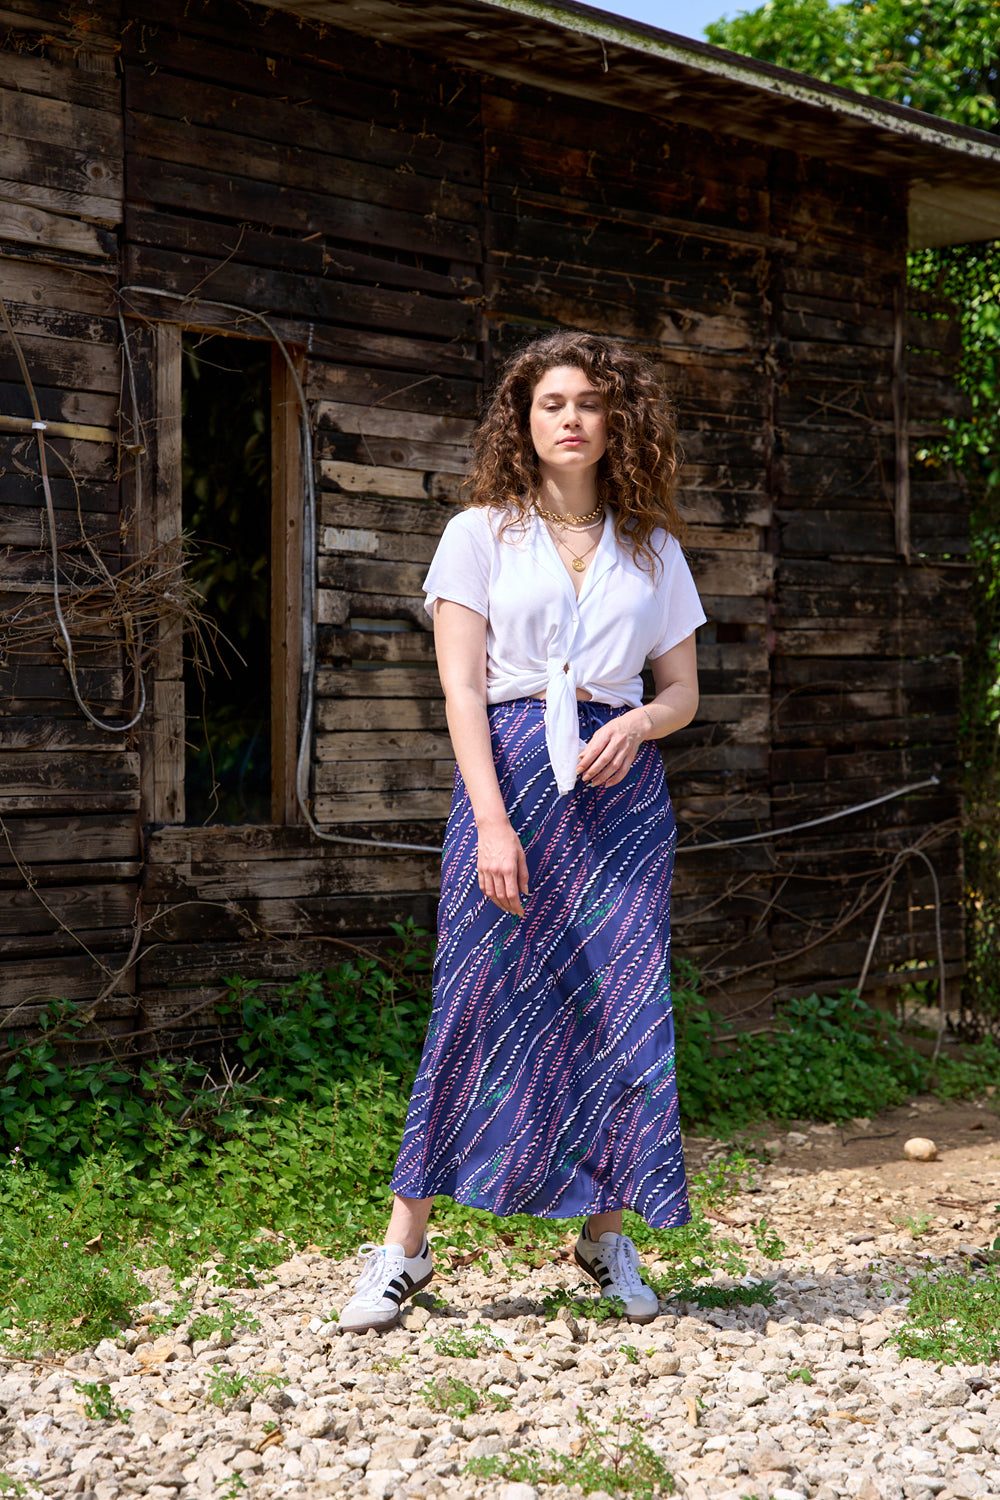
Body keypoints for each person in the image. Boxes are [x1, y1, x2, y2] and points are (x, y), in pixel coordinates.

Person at [339, 331, 706, 1333]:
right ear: (523, 420)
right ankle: (402, 1250)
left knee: (622, 1008)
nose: (572, 419)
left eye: (589, 402)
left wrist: (636, 720)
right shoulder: (478, 535)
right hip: (509, 781)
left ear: (613, 419)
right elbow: (460, 687)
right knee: (475, 996)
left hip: (619, 797)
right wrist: (492, 823)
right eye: (552, 403)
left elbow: (681, 692)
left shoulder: (651, 549)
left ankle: (604, 1232)